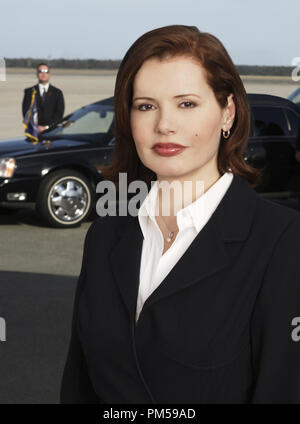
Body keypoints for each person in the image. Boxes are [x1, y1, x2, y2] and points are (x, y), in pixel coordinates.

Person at [60, 25, 300, 404]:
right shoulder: (105, 235)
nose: (164, 125)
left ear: (227, 113)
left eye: (186, 103)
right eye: (146, 106)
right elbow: (79, 384)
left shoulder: (284, 241)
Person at [22, 63, 65, 134]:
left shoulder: (57, 93)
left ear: (49, 74)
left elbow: (59, 113)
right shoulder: (29, 92)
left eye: (46, 72)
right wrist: (36, 127)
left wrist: (46, 127)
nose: (43, 74)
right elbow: (26, 112)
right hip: (34, 132)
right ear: (37, 74)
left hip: (52, 131)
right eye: (41, 71)